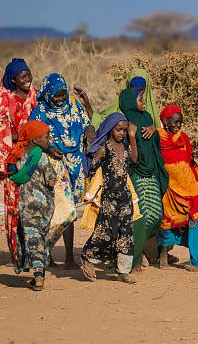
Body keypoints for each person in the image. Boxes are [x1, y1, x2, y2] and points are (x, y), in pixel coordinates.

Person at [29, 73, 93, 269]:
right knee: (57, 210)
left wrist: (90, 128)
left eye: (63, 95)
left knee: (70, 210)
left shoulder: (73, 105)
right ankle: (45, 254)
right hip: (53, 166)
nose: (60, 99)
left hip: (75, 165)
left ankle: (68, 257)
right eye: (56, 96)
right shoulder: (40, 112)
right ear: (47, 94)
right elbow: (30, 136)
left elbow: (87, 125)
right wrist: (48, 148)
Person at [0, 58, 38, 272]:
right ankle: (17, 253)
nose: (27, 79)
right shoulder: (5, 100)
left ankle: (36, 254)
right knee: (14, 208)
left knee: (34, 206)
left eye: (29, 74)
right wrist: (27, 135)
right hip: (13, 160)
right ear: (13, 79)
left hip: (34, 157)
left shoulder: (36, 95)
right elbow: (1, 131)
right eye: (22, 76)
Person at [80, 112, 139, 284]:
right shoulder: (104, 149)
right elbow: (91, 169)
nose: (122, 133)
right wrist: (95, 157)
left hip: (125, 199)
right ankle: (87, 256)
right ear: (110, 129)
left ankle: (123, 271)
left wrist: (133, 138)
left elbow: (135, 160)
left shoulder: (127, 148)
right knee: (106, 232)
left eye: (125, 131)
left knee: (126, 234)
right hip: (109, 199)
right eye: (119, 130)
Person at [156, 104, 198, 272]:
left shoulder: (183, 138)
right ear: (165, 121)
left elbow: (188, 155)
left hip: (189, 189)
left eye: (180, 122)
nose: (178, 125)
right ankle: (163, 258)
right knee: (167, 222)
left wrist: (194, 153)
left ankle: (196, 262)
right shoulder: (157, 138)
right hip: (170, 189)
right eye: (175, 122)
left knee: (195, 222)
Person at [118, 87, 169, 269]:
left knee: (156, 215)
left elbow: (156, 144)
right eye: (140, 99)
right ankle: (134, 257)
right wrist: (132, 137)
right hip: (137, 174)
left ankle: (137, 251)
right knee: (141, 217)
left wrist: (154, 128)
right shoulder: (123, 122)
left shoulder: (147, 117)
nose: (144, 102)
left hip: (152, 172)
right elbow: (133, 159)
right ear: (131, 101)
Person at [5, 120, 56, 291]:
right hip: (44, 206)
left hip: (25, 206)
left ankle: (37, 272)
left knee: (32, 238)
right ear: (35, 139)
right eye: (46, 136)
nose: (49, 139)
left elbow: (11, 175)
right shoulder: (40, 156)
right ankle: (39, 276)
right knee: (39, 239)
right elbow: (51, 180)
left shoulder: (16, 155)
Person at [93, 68, 161, 129]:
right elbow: (103, 123)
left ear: (146, 88)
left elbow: (159, 132)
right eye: (134, 90)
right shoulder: (118, 104)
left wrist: (153, 129)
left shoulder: (150, 110)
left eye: (141, 89)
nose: (137, 93)